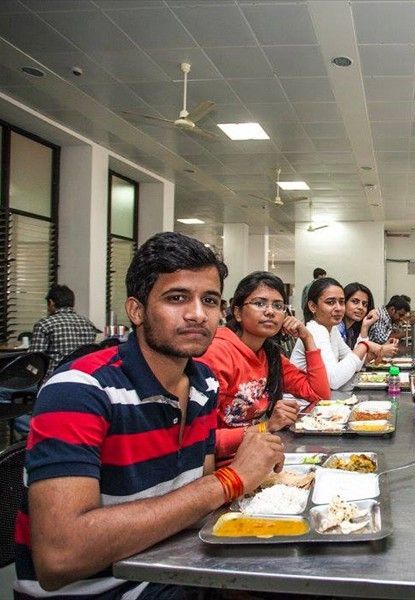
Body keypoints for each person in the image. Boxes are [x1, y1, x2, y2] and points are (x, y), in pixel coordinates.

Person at [14, 232, 285, 598]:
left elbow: (193, 507)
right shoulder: (79, 390)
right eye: (177, 298)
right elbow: (61, 555)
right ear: (136, 310)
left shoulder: (202, 383)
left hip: (179, 572)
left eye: (209, 300)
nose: (197, 314)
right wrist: (232, 480)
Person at [200, 271, 331, 465]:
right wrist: (266, 426)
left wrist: (307, 339)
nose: (270, 311)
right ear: (237, 312)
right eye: (259, 303)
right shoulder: (217, 353)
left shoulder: (269, 355)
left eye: (278, 306)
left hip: (258, 456)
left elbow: (319, 395)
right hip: (223, 468)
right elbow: (201, 443)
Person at [291, 277, 384, 390]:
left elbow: (357, 365)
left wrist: (363, 341)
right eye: (330, 302)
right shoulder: (315, 330)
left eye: (341, 302)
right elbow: (333, 381)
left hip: (321, 401)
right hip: (303, 405)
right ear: (313, 306)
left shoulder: (332, 329)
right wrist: (365, 345)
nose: (339, 308)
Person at [29, 284, 100, 378]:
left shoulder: (44, 324)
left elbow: (35, 359)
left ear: (51, 302)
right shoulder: (89, 324)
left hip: (53, 378)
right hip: (83, 377)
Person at [340, 282, 400, 359]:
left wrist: (365, 326)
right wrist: (381, 350)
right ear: (343, 302)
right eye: (355, 302)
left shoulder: (351, 330)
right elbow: (352, 361)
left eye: (365, 304)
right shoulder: (338, 327)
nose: (361, 307)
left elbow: (357, 358)